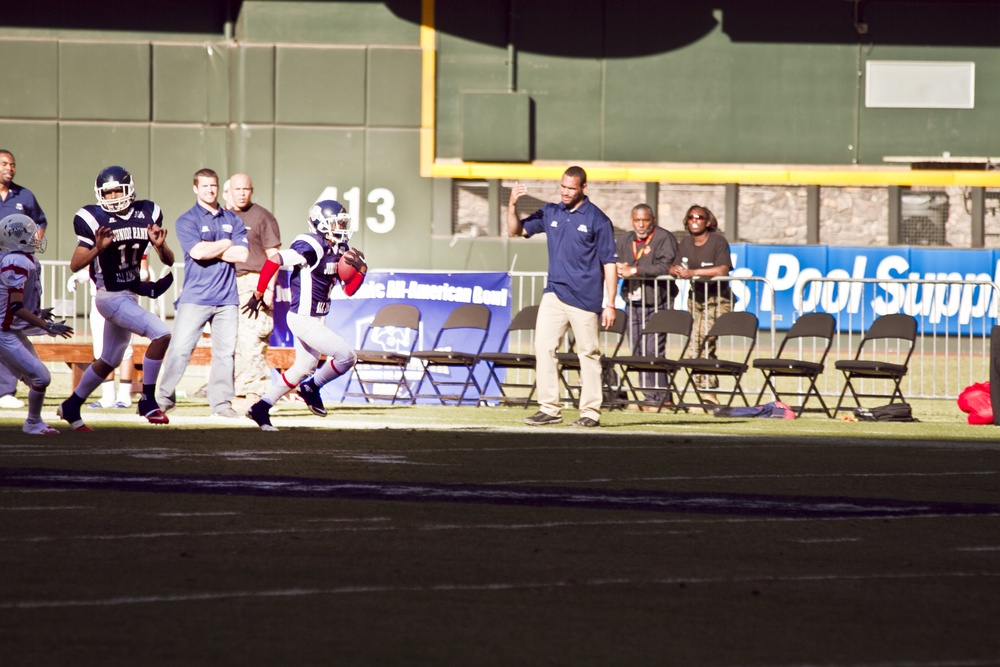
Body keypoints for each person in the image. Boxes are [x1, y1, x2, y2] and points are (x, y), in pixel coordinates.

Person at [58, 166, 176, 431]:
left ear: (129, 190)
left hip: (129, 294)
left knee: (110, 359)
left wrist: (160, 246)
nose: (112, 197)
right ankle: (147, 400)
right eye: (107, 192)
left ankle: (72, 405)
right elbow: (75, 264)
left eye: (117, 191)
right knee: (161, 333)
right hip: (109, 296)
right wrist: (97, 249)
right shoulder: (93, 218)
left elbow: (169, 260)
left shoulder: (147, 213)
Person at [507, 166, 618, 428]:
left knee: (588, 354)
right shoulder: (551, 212)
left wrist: (610, 303)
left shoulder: (598, 220)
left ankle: (590, 413)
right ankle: (549, 409)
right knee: (543, 348)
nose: (565, 192)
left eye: (571, 188)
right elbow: (516, 230)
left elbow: (610, 264)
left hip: (585, 299)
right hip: (554, 294)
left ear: (583, 188)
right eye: (563, 187)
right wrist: (512, 204)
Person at [243, 200, 366, 431]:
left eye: (342, 222)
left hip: (317, 318)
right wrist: (259, 292)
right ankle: (311, 387)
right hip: (302, 317)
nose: (341, 227)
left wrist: (360, 273)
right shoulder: (312, 245)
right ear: (321, 224)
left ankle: (260, 407)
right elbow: (274, 260)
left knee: (304, 366)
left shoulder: (340, 247)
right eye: (336, 223)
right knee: (347, 356)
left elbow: (349, 290)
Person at [155, 168, 249, 418]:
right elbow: (197, 252)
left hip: (227, 299)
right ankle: (163, 398)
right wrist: (227, 243)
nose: (210, 190)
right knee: (180, 349)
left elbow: (243, 254)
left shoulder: (233, 219)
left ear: (219, 188)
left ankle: (221, 405)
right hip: (195, 297)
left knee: (225, 355)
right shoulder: (187, 220)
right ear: (196, 188)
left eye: (214, 185)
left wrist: (214, 248)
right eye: (205, 186)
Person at [0, 213, 73, 434]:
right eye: (32, 233)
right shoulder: (16, 262)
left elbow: (13, 305)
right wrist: (45, 325)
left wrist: (40, 313)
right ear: (17, 238)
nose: (37, 237)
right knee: (41, 377)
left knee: (36, 379)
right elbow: (15, 307)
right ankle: (33, 422)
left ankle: (34, 421)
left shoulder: (27, 260)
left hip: (9, 330)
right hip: (4, 333)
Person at [615, 203, 678, 409]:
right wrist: (618, 268)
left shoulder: (664, 237)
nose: (641, 225)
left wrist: (634, 271)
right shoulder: (625, 239)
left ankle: (659, 398)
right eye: (637, 220)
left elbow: (664, 267)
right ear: (631, 221)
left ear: (653, 220)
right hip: (633, 302)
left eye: (645, 220)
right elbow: (616, 262)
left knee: (653, 351)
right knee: (637, 351)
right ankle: (650, 396)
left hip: (658, 300)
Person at [228, 173, 282, 411]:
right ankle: (230, 394)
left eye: (245, 189)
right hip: (225, 283)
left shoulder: (262, 217)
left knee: (252, 339)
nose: (241, 193)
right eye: (237, 189)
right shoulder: (222, 216)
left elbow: (274, 257)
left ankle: (253, 395)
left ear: (251, 190)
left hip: (254, 283)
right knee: (230, 342)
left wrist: (268, 287)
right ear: (228, 191)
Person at [668, 204, 733, 402]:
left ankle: (708, 391)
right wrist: (676, 270)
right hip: (695, 298)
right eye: (691, 217)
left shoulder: (717, 241)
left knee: (703, 342)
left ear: (708, 221)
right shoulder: (685, 242)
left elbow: (723, 270)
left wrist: (693, 273)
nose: (695, 220)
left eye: (699, 217)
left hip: (717, 299)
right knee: (694, 346)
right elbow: (674, 265)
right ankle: (703, 391)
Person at [0, 149, 48, 410]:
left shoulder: (25, 195)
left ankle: (6, 390)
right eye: (5, 163)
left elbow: (40, 222)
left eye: (13, 164)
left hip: (11, 267)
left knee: (8, 325)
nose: (10, 168)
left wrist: (29, 244)